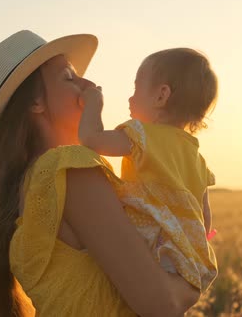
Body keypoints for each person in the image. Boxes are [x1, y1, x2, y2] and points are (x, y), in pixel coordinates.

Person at [0, 30, 201, 317]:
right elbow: (163, 305)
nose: (90, 84)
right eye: (69, 77)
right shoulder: (69, 169)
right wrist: (195, 281)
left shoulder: (34, 182)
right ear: (35, 103)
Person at [78, 48, 219, 293]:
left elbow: (91, 139)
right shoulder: (198, 157)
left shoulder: (141, 136)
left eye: (136, 89)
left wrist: (93, 103)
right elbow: (204, 216)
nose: (130, 98)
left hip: (143, 249)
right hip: (183, 262)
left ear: (161, 96)